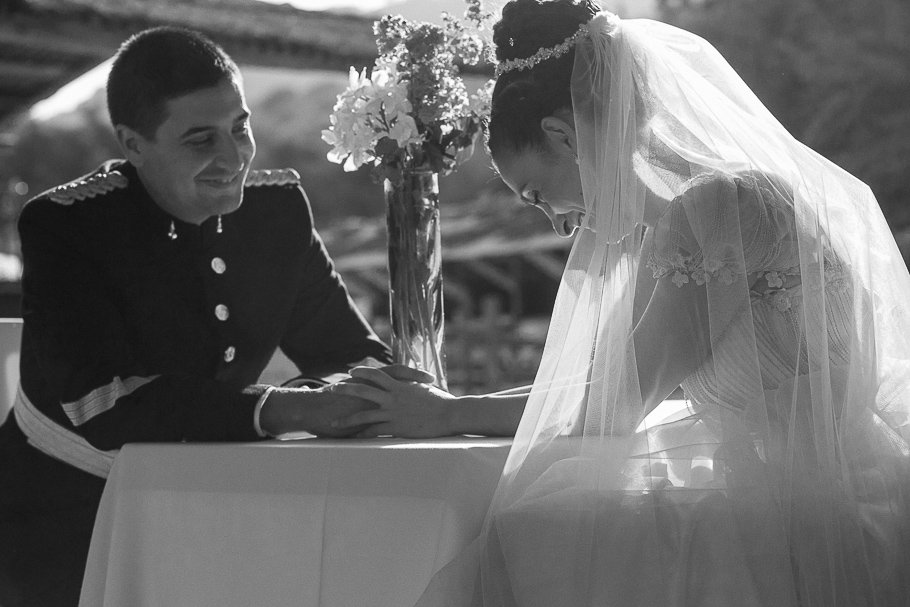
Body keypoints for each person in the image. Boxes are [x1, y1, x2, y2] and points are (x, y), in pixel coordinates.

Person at [331, 1, 910, 605]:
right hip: (792, 492)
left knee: (531, 540)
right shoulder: (689, 218)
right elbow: (599, 387)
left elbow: (608, 410)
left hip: (811, 517)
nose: (556, 224)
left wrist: (447, 415)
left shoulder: (723, 209)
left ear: (562, 134)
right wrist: (449, 403)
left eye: (535, 194)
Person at [0, 26, 409, 607]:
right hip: (59, 516)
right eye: (200, 140)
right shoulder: (69, 227)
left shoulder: (277, 214)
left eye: (240, 128)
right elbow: (107, 404)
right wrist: (288, 405)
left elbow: (351, 351)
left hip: (215, 503)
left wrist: (375, 390)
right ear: (133, 144)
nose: (233, 156)